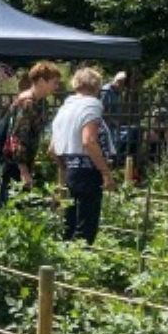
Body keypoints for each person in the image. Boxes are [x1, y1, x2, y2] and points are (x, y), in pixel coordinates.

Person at [50, 67, 116, 244]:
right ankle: (79, 265)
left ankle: (63, 262)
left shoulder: (65, 107)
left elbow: (52, 148)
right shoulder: (91, 105)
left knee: (70, 223)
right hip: (89, 171)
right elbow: (89, 141)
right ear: (96, 86)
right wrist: (105, 173)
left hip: (72, 170)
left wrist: (65, 168)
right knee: (86, 228)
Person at [0, 61, 61, 208]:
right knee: (11, 207)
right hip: (15, 164)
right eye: (54, 82)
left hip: (25, 161)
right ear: (40, 81)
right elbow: (17, 137)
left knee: (22, 206)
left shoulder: (41, 102)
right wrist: (24, 171)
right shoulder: (27, 102)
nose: (56, 86)